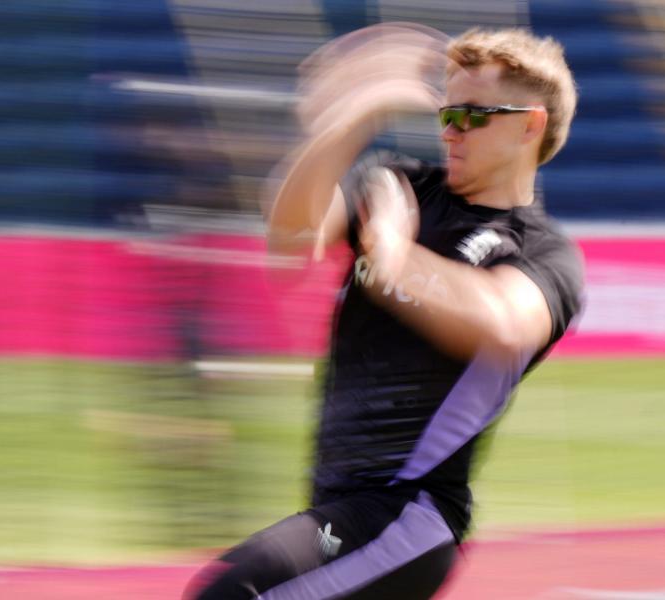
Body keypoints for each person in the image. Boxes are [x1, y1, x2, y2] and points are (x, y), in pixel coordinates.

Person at [185, 24, 584, 600]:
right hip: (341, 507)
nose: (453, 131)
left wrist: (396, 258)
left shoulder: (541, 251)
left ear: (530, 124)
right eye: (447, 114)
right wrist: (354, 119)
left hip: (409, 516)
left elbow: (502, 324)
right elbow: (291, 236)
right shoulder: (402, 187)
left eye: (473, 115)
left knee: (232, 592)